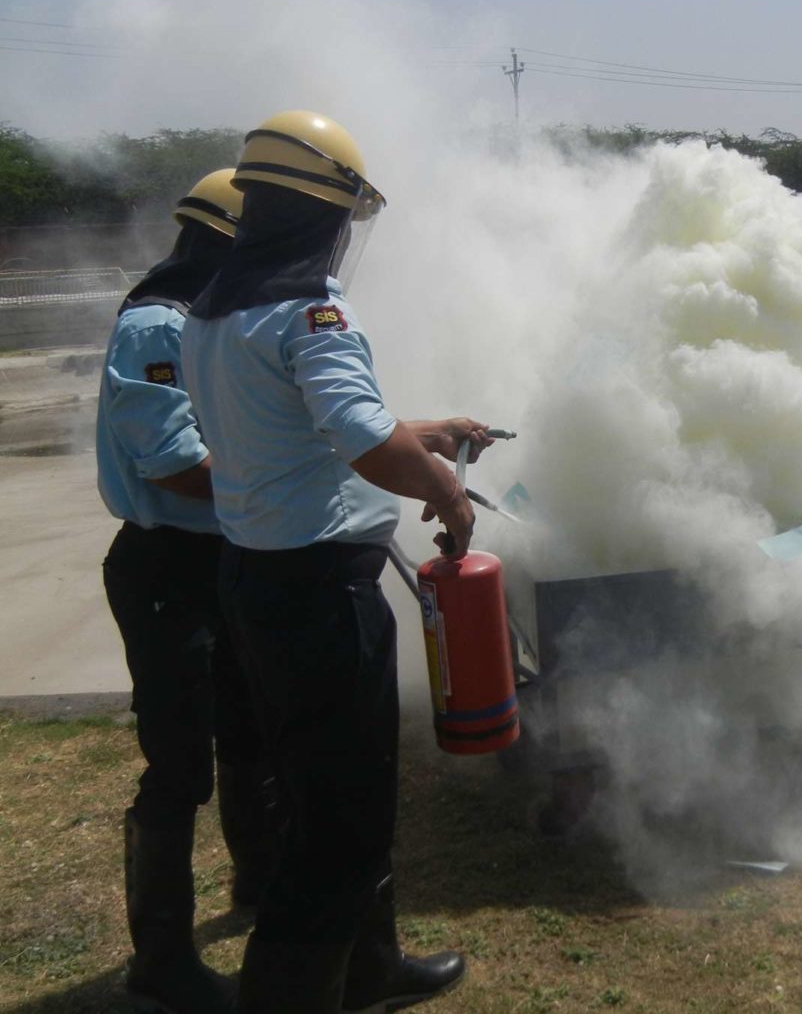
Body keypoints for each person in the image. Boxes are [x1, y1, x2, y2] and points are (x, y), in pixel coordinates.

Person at [181, 111, 492, 1014]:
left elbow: (297, 429)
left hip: (258, 585)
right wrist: (448, 491)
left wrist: (423, 435)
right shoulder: (311, 312)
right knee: (340, 828)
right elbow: (359, 438)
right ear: (326, 215)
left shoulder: (215, 314)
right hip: (320, 601)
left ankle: (369, 970)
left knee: (323, 798)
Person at [97, 168, 271, 1014]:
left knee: (250, 733)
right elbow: (173, 464)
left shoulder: (217, 325)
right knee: (178, 767)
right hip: (169, 568)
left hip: (226, 558)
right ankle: (159, 957)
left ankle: (259, 887)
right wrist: (278, 473)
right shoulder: (156, 326)